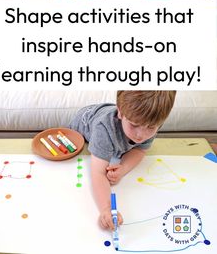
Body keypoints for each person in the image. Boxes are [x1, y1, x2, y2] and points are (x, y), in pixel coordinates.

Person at [70, 90, 176, 230]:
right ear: (120, 113)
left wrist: (124, 168)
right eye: (134, 125)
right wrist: (107, 208)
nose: (141, 135)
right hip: (82, 126)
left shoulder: (151, 120)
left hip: (108, 115)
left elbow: (140, 149)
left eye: (151, 128)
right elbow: (98, 173)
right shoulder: (103, 129)